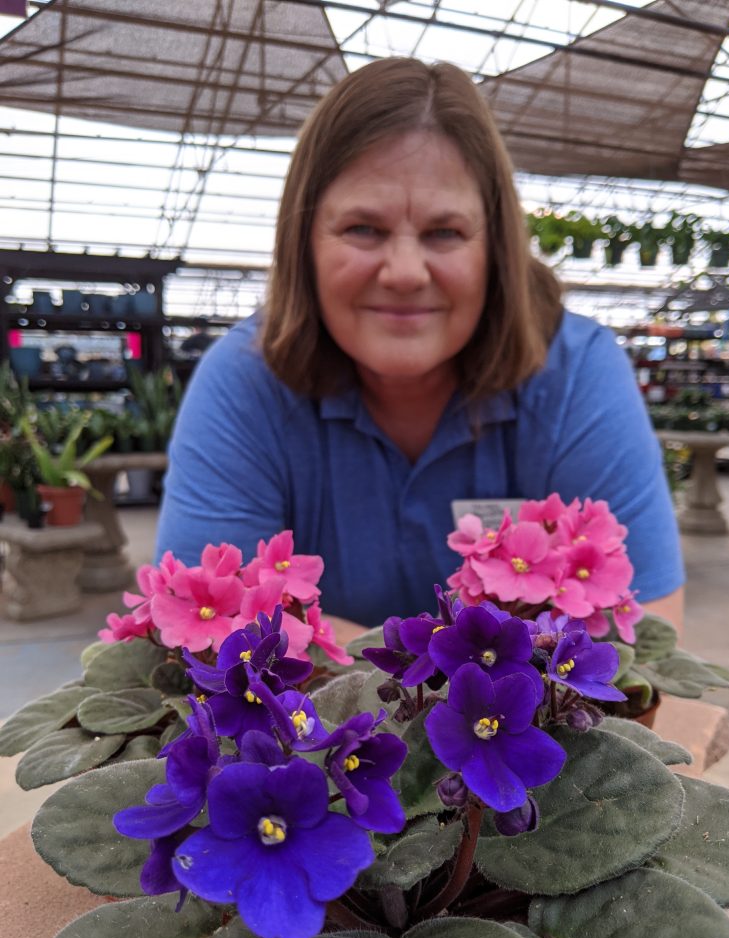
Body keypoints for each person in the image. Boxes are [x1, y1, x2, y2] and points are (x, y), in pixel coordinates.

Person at [155, 58, 684, 642]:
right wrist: (463, 671)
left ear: (496, 249)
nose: (405, 272)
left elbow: (645, 638)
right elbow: (205, 634)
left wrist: (337, 654)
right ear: (302, 242)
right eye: (363, 228)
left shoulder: (577, 371)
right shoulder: (244, 380)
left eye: (444, 233)